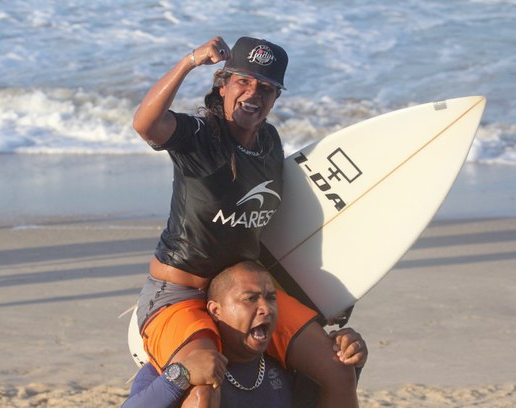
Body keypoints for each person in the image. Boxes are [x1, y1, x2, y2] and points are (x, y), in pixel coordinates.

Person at [132, 35, 359, 407]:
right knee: (204, 383)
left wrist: (325, 289)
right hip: (179, 296)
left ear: (276, 98)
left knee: (339, 368)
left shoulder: (269, 143)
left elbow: (276, 229)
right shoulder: (199, 137)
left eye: (266, 88)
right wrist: (190, 61)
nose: (254, 93)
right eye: (244, 81)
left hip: (246, 294)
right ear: (223, 84)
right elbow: (145, 124)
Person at [122, 261, 367, 408]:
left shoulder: (279, 371)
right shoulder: (175, 368)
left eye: (271, 298)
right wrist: (180, 375)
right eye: (250, 299)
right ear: (215, 310)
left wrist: (349, 360)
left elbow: (331, 396)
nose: (266, 308)